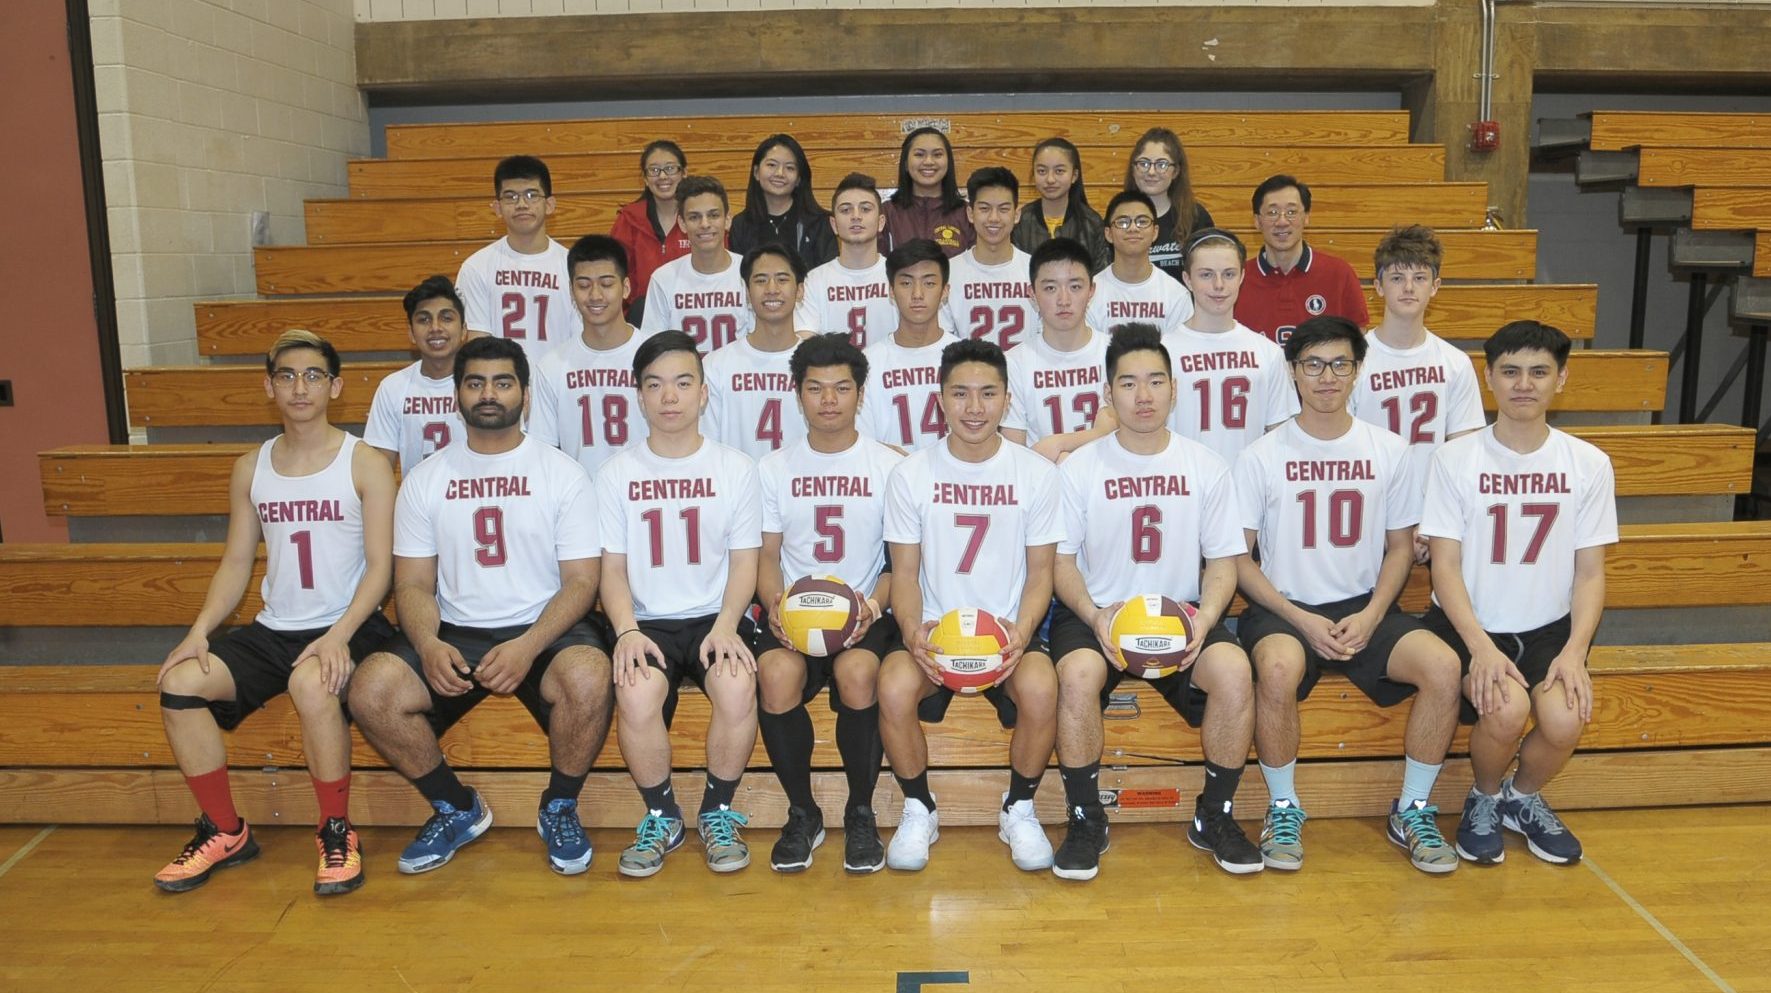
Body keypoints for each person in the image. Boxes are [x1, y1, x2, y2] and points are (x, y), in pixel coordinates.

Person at [348, 336, 612, 877]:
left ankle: (559, 805)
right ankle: (455, 806)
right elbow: (414, 585)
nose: (488, 393)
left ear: (526, 394)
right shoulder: (425, 480)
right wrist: (427, 642)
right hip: (457, 628)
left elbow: (583, 582)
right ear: (456, 394)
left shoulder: (562, 473)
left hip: (544, 628)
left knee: (589, 674)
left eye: (502, 382)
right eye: (475, 382)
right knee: (371, 689)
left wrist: (528, 645)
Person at [153, 330, 396, 896]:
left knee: (312, 686)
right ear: (268, 387)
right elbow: (237, 561)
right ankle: (225, 830)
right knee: (180, 683)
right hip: (273, 628)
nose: (299, 387)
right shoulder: (250, 467)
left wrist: (338, 635)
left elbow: (381, 568)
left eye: (313, 375)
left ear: (335, 386)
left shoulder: (366, 463)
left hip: (350, 624)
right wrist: (198, 631)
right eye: (286, 376)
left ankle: (336, 830)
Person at [1234, 316, 1463, 875]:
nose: (1326, 376)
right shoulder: (1260, 454)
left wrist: (1371, 614)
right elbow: (1237, 560)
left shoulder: (1390, 450)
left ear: (1357, 371)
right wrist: (1299, 618)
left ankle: (1412, 808)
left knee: (1444, 667)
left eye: (1339, 364)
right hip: (1283, 608)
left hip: (1365, 605)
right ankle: (1283, 806)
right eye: (1313, 364)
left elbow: (1400, 549)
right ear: (1293, 373)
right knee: (1280, 670)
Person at [1049, 323, 1260, 879]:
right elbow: (1061, 562)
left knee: (1235, 670)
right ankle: (1084, 816)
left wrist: (1205, 621)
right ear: (1108, 394)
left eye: (1155, 382)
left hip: (1180, 612)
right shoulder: (1080, 468)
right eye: (1128, 384)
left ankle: (1215, 814)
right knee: (1074, 677)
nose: (1143, 396)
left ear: (1174, 389)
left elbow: (1222, 562)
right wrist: (1096, 617)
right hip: (1099, 613)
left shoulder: (1207, 465)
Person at [1419, 321, 1617, 866]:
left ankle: (1520, 799)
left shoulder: (1589, 464)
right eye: (1510, 371)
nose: (1523, 384)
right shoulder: (1454, 459)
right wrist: (1481, 647)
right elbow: (1446, 567)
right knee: (1506, 711)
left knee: (1565, 719)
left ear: (1562, 379)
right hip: (1473, 624)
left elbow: (1591, 573)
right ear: (1489, 379)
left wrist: (1576, 650)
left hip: (1549, 627)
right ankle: (1482, 797)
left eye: (1538, 372)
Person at [877, 338, 1063, 873]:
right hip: (936, 631)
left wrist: (1021, 633)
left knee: (1040, 685)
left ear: (1007, 399)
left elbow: (1042, 574)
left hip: (1007, 631)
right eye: (960, 394)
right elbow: (904, 574)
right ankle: (919, 806)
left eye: (987, 394)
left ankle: (1020, 807)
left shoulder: (1035, 474)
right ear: (940, 400)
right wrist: (913, 631)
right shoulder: (910, 475)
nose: (974, 408)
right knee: (891, 684)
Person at [595, 331, 763, 877]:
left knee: (738, 683)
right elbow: (612, 570)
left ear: (703, 393)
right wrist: (624, 632)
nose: (670, 397)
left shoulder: (736, 468)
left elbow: (745, 562)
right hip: (646, 621)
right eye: (656, 385)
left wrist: (729, 624)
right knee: (637, 689)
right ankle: (662, 815)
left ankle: (717, 811)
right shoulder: (616, 473)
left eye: (683, 383)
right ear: (638, 396)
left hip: (716, 618)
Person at [754, 333, 906, 873]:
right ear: (797, 395)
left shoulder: (891, 467)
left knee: (860, 673)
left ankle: (861, 811)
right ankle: (802, 811)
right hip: (794, 612)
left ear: (860, 394)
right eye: (815, 388)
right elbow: (767, 555)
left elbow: (900, 564)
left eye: (842, 388)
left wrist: (871, 605)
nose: (829, 400)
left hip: (864, 611)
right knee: (773, 674)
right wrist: (775, 604)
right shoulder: (772, 469)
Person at [1349, 225, 1486, 558]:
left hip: (1435, 518)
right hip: (1366, 514)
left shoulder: (1455, 363)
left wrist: (1435, 524)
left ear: (1435, 286)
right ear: (1378, 286)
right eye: (1396, 278)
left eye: (1420, 277)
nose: (1408, 287)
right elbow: (1343, 450)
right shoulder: (1353, 361)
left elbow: (1464, 454)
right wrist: (1390, 529)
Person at [1166, 228, 1299, 466]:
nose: (1219, 285)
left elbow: (1282, 436)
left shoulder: (1268, 353)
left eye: (1228, 274)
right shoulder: (1163, 352)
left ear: (1241, 277)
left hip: (1247, 490)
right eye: (1206, 275)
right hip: (1185, 490)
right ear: (1187, 280)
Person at [529, 235, 655, 478]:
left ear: (626, 287)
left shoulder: (656, 357)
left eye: (606, 284)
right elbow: (544, 452)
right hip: (581, 500)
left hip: (645, 497)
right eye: (584, 285)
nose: (595, 295)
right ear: (571, 290)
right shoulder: (551, 366)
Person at [454, 155, 578, 357]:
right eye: (510, 196)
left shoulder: (573, 266)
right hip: (500, 386)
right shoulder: (476, 267)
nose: (521, 204)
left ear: (549, 204)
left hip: (558, 385)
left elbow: (581, 343)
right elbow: (478, 346)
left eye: (531, 195)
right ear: (497, 208)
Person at [703, 244, 811, 460]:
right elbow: (707, 447)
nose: (772, 289)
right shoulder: (715, 365)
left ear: (800, 290)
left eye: (782, 279)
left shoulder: (818, 365)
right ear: (747, 291)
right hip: (737, 489)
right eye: (761, 280)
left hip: (800, 489)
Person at [1234, 174, 1370, 345]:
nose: (1282, 221)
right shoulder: (1237, 280)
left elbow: (1358, 341)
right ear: (1257, 221)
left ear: (1306, 217)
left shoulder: (1338, 273)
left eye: (1291, 212)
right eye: (1272, 212)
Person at [1000, 237, 1106, 448]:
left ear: (1091, 290)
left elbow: (1119, 436)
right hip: (1039, 479)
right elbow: (1015, 454)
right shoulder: (1014, 363)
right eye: (1050, 288)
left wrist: (1057, 448)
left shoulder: (1115, 355)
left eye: (1075, 287)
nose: (1064, 300)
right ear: (1032, 293)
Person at [858, 239, 961, 452]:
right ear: (891, 291)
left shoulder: (966, 359)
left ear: (945, 291)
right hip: (888, 479)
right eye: (906, 283)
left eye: (929, 283)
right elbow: (862, 446)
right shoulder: (867, 363)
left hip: (952, 481)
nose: (917, 294)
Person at [365, 276, 469, 474]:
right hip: (415, 502)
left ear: (464, 330)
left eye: (446, 318)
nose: (436, 328)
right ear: (411, 334)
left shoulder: (482, 385)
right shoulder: (392, 388)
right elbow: (379, 471)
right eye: (424, 320)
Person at [640, 175, 753, 354]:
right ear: (682, 224)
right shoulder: (663, 278)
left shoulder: (751, 273)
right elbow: (654, 350)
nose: (705, 224)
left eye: (713, 215)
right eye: (694, 217)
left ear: (728, 220)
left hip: (737, 378)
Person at [796, 174, 900, 349]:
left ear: (881, 222)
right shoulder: (813, 281)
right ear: (834, 224)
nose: (856, 216)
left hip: (889, 374)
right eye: (846, 210)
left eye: (865, 209)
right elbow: (806, 344)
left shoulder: (899, 277)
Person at [942, 167, 1039, 351]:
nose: (994, 218)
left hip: (1024, 378)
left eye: (1003, 209)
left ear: (1016, 214)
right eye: (984, 209)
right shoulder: (949, 272)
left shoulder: (1036, 271)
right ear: (970, 214)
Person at [1086, 191, 1194, 337]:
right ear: (1108, 234)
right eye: (1123, 222)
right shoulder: (1089, 293)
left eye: (1142, 222)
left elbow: (1179, 352)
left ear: (1155, 232)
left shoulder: (1177, 295)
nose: (1133, 228)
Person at [611, 140, 692, 325]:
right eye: (654, 170)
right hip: (643, 317)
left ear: (684, 173)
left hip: (693, 313)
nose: (663, 176)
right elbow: (615, 274)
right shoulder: (629, 220)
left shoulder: (699, 219)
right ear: (645, 179)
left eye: (670, 168)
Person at [729, 134, 836, 268]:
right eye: (772, 165)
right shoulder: (741, 225)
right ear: (756, 172)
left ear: (798, 179)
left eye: (790, 167)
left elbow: (827, 276)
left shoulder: (819, 223)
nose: (780, 173)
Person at [1122, 127, 1214, 282]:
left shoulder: (1196, 217)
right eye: (1144, 163)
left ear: (1176, 171)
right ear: (1133, 168)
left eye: (1162, 164)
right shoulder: (1119, 217)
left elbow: (1209, 273)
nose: (1151, 172)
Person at [1012, 137, 1110, 273]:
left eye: (1059, 171)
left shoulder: (1092, 223)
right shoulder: (1021, 222)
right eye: (1042, 171)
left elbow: (1101, 278)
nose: (1050, 179)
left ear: (1074, 175)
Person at [882, 127, 973, 257]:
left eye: (937, 155)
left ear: (948, 162)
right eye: (919, 154)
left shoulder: (966, 214)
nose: (929, 162)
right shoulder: (887, 213)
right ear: (906, 163)